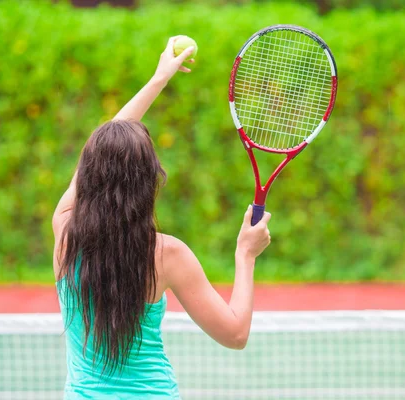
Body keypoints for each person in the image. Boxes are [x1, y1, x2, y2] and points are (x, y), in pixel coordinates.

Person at [52, 36, 272, 399]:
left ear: (88, 172)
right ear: (147, 181)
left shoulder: (64, 234)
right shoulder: (166, 255)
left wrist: (157, 80)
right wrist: (245, 255)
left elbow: (97, 151)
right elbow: (235, 334)